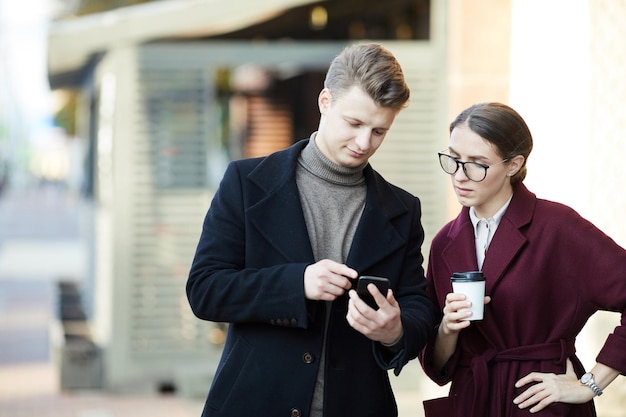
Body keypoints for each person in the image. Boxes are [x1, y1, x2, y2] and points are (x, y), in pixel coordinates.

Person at [187, 43, 435, 417]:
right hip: (254, 403)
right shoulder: (246, 182)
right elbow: (205, 289)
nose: (364, 143)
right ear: (325, 101)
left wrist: (396, 331)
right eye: (354, 123)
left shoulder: (402, 209)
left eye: (379, 131)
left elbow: (417, 305)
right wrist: (296, 283)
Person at [419, 102, 626, 416]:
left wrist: (590, 383)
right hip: (473, 399)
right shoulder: (445, 242)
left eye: (477, 163)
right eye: (454, 159)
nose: (460, 176)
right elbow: (437, 364)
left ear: (513, 165)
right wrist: (448, 327)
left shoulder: (559, 227)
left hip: (541, 401)